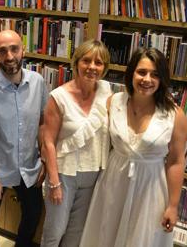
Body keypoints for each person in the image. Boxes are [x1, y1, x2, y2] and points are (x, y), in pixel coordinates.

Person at [80, 48, 187, 247]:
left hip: (150, 187)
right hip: (113, 183)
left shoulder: (175, 115)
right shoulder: (114, 102)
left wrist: (173, 206)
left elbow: (176, 161)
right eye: (142, 72)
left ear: (162, 79)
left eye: (155, 74)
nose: (147, 79)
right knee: (105, 235)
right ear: (131, 73)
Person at [0, 29, 48, 247]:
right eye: (2, 51)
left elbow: (43, 122)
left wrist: (43, 157)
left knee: (33, 214)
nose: (10, 56)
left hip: (29, 166)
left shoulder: (38, 82)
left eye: (14, 49)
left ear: (23, 49)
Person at [40, 39, 112, 247]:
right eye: (86, 61)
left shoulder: (107, 92)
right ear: (76, 63)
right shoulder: (58, 97)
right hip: (64, 175)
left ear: (104, 68)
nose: (92, 67)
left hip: (93, 174)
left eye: (98, 63)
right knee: (55, 231)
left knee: (77, 234)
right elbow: (48, 142)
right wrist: (54, 183)